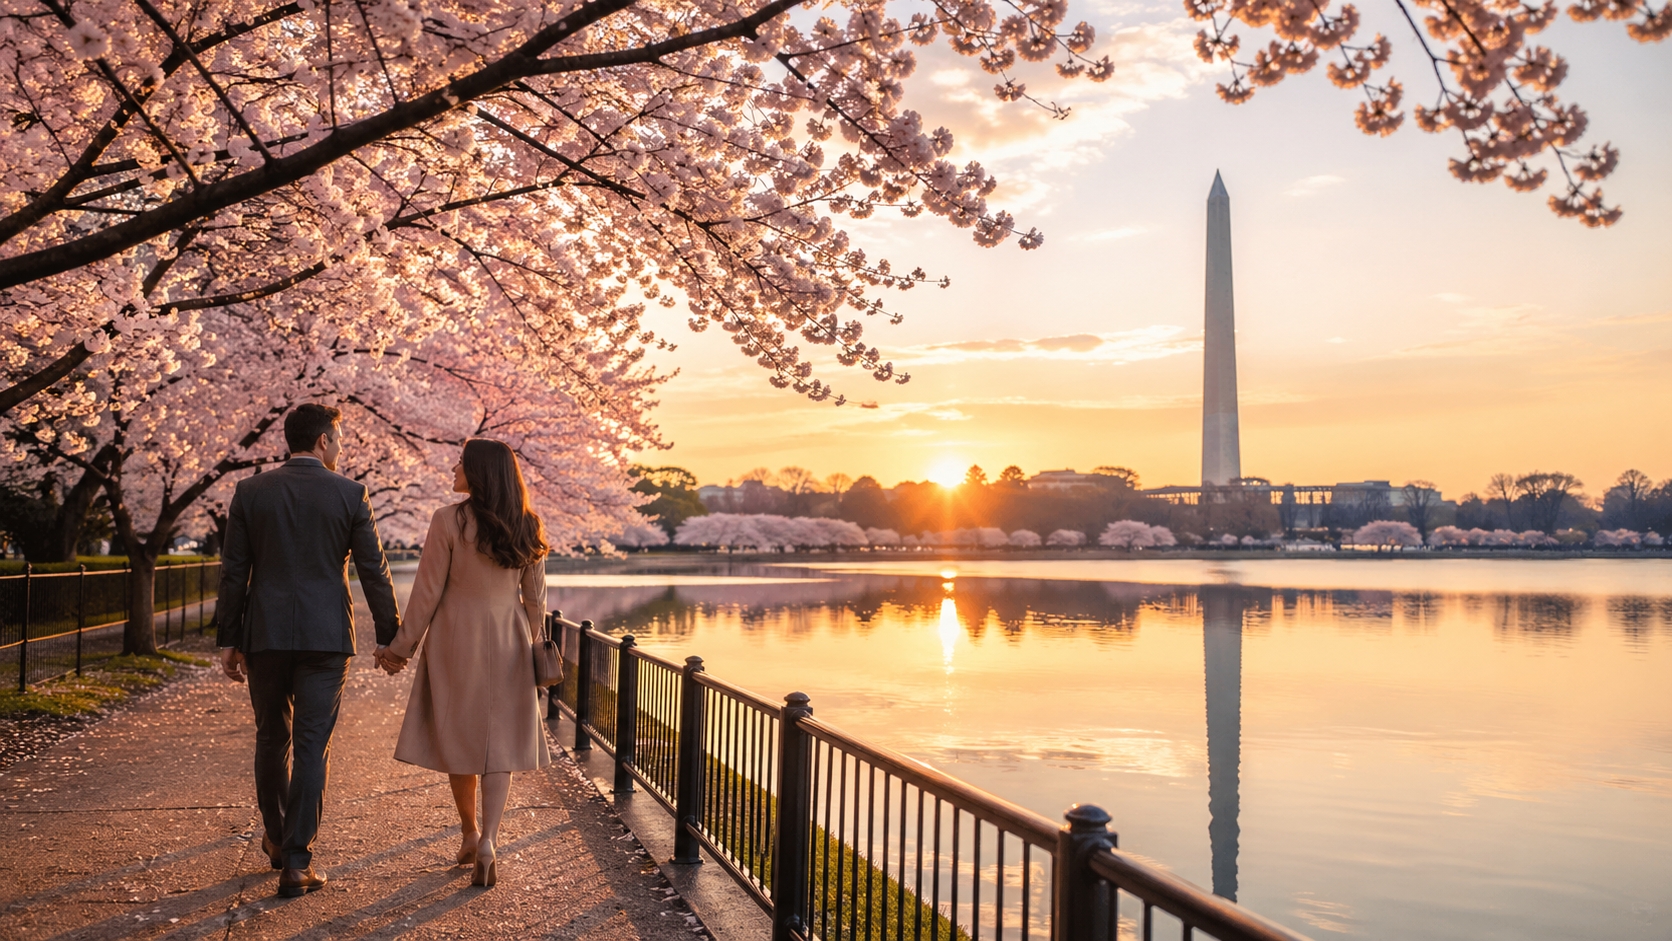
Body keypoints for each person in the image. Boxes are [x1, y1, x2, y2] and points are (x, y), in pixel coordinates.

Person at [215, 403, 404, 898]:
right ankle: (298, 863)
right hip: (326, 638)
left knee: (270, 738)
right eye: (338, 440)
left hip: (266, 634)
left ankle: (277, 841)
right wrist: (390, 636)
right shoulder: (350, 494)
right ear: (323, 440)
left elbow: (234, 571)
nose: (340, 449)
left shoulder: (250, 491)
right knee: (312, 744)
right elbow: (373, 569)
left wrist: (228, 639)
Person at [378, 438, 551, 888]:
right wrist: (528, 644)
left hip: (456, 636)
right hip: (510, 637)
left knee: (461, 732)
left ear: (478, 472)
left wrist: (400, 648)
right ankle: (490, 839)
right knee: (501, 745)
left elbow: (427, 593)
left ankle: (469, 831)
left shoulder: (448, 520)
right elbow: (536, 601)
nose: (454, 466)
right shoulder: (528, 523)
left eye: (461, 461)